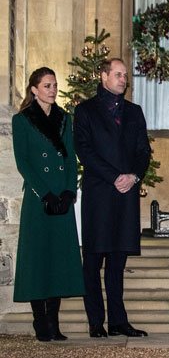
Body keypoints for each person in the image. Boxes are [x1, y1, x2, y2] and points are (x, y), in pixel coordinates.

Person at [74, 58, 151, 338]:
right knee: (93, 260)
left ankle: (119, 321)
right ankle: (96, 322)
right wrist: (114, 177)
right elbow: (84, 150)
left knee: (118, 262)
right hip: (100, 194)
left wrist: (133, 177)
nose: (123, 79)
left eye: (125, 75)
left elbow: (144, 151)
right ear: (103, 76)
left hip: (127, 195)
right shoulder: (85, 111)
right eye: (118, 74)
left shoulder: (134, 112)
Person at [11, 67, 84, 342]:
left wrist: (68, 191)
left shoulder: (65, 118)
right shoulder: (22, 120)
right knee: (37, 258)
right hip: (38, 199)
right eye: (46, 85)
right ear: (34, 89)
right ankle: (40, 321)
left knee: (59, 259)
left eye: (54, 85)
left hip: (61, 199)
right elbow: (24, 163)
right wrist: (45, 194)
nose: (52, 89)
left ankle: (54, 321)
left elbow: (69, 158)